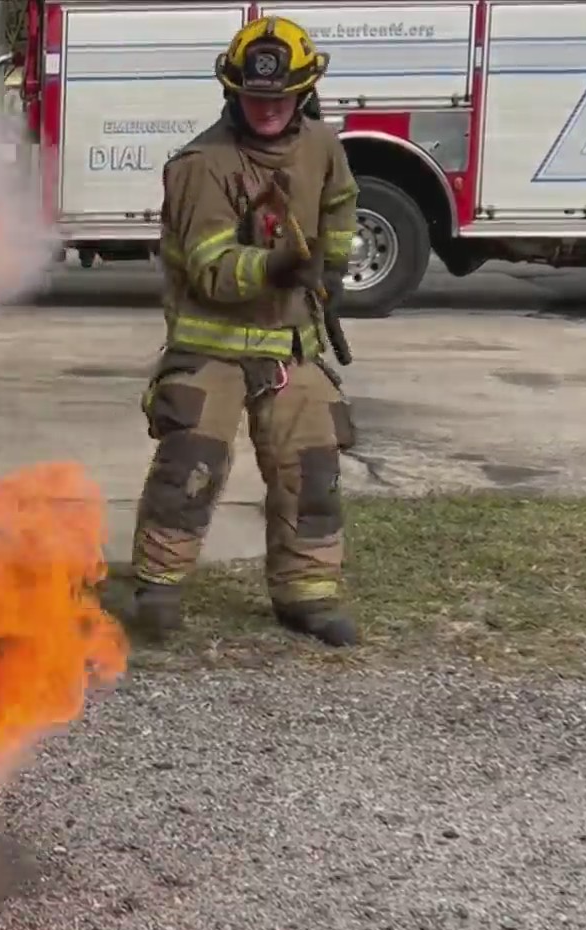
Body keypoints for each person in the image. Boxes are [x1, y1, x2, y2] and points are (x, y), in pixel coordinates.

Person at [125, 15, 362, 647]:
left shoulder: (322, 146)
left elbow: (340, 204)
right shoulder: (202, 166)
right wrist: (279, 265)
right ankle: (158, 587)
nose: (267, 109)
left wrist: (333, 265)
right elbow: (209, 271)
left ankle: (307, 595)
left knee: (310, 468)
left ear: (303, 93)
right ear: (234, 93)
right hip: (211, 347)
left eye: (280, 98)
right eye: (256, 98)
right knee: (190, 466)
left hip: (291, 345)